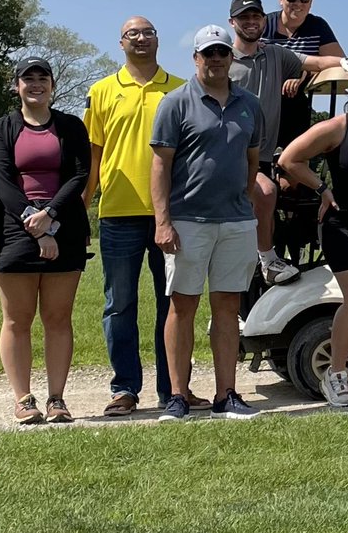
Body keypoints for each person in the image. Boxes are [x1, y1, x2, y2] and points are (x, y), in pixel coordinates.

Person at [83, 18, 209, 417]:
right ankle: (124, 389)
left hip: (170, 215)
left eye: (148, 32)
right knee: (119, 304)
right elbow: (93, 155)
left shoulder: (180, 89)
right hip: (118, 213)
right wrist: (83, 205)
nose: (141, 38)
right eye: (132, 34)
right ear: (121, 43)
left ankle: (174, 389)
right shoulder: (101, 91)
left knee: (171, 304)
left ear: (159, 40)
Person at [150, 25, 264, 421]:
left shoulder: (249, 104)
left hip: (235, 221)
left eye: (222, 53)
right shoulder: (175, 103)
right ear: (195, 58)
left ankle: (226, 395)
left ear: (231, 58)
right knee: (182, 306)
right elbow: (160, 165)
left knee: (228, 306)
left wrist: (244, 200)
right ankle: (178, 396)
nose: (216, 59)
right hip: (187, 221)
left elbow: (252, 161)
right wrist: (163, 220)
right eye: (208, 53)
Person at [228, 0, 348, 285]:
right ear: (232, 23)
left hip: (262, 155)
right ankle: (267, 260)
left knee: (268, 203)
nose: (251, 22)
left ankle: (253, 285)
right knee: (265, 194)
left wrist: (345, 62)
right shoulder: (222, 59)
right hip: (230, 155)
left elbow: (314, 62)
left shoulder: (275, 55)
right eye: (244, 18)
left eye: (255, 16)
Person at [0, 57, 90, 424]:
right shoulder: (1, 128)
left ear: (53, 86)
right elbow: (2, 179)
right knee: (17, 319)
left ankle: (57, 398)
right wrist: (35, 224)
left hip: (66, 224)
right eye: (28, 79)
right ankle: (24, 399)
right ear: (17, 86)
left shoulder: (71, 126)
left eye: (43, 78)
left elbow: (79, 175)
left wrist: (51, 220)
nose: (36, 84)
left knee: (58, 318)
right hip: (15, 227)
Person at [277, 67, 348, 407]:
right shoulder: (335, 128)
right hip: (342, 227)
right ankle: (335, 373)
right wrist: (322, 188)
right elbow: (289, 159)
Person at [261, 0, 348, 147]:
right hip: (264, 97)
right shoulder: (264, 25)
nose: (298, 3)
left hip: (296, 101)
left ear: (311, 1)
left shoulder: (317, 26)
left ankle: (291, 162)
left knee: (296, 102)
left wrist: (303, 74)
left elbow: (339, 63)